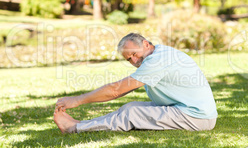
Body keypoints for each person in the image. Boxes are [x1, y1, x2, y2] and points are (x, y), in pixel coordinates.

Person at [54, 33, 217, 134]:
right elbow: (122, 90)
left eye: (134, 53)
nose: (133, 60)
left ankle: (74, 129)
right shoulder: (158, 53)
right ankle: (82, 124)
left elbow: (115, 90)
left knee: (132, 115)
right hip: (184, 109)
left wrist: (77, 100)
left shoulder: (157, 61)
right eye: (128, 58)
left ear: (146, 44)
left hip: (196, 117)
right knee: (130, 107)